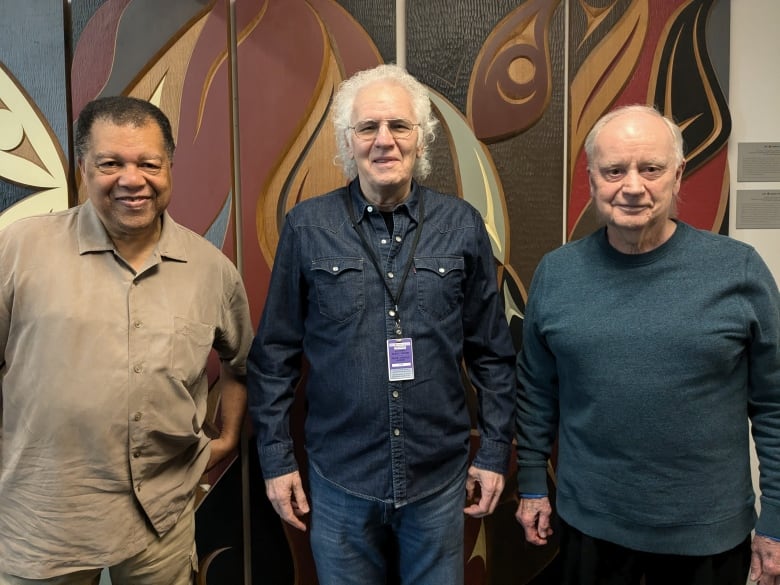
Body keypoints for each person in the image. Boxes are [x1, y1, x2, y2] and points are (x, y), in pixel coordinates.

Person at [247, 63, 516, 584]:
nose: (384, 141)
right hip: (340, 478)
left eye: (399, 126)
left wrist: (496, 450)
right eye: (368, 128)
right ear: (349, 143)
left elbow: (492, 353)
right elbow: (274, 356)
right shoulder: (307, 226)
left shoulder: (461, 224)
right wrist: (277, 461)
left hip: (439, 479)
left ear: (422, 138)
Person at [514, 104, 780, 585]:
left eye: (651, 169)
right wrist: (532, 485)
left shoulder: (738, 270)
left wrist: (777, 523)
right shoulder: (558, 274)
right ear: (592, 178)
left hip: (706, 540)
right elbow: (535, 392)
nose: (632, 187)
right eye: (614, 170)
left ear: (678, 176)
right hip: (590, 530)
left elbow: (775, 406)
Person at [0, 96, 253, 584]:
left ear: (170, 169)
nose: (131, 179)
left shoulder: (210, 270)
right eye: (110, 163)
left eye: (148, 164)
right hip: (44, 514)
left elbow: (240, 361)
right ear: (84, 169)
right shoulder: (18, 250)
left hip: (162, 514)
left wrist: (223, 439)